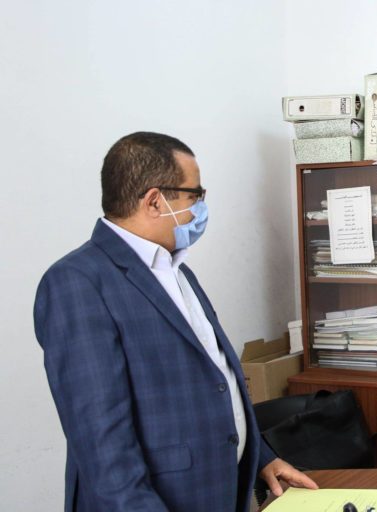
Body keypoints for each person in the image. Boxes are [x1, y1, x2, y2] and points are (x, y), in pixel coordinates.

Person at [33, 132, 318, 511]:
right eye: (195, 195)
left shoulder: (176, 270)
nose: (201, 207)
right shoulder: (77, 282)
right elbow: (103, 445)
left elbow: (215, 382)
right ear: (155, 201)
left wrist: (262, 458)